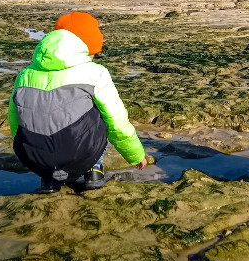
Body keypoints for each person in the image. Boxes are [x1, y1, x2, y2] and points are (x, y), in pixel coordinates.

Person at [8, 11, 147, 194]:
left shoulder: (25, 75)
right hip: (81, 154)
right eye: (93, 53)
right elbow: (117, 121)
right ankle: (94, 172)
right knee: (100, 114)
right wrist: (136, 155)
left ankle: (48, 180)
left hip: (35, 159)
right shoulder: (95, 73)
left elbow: (15, 120)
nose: (93, 57)